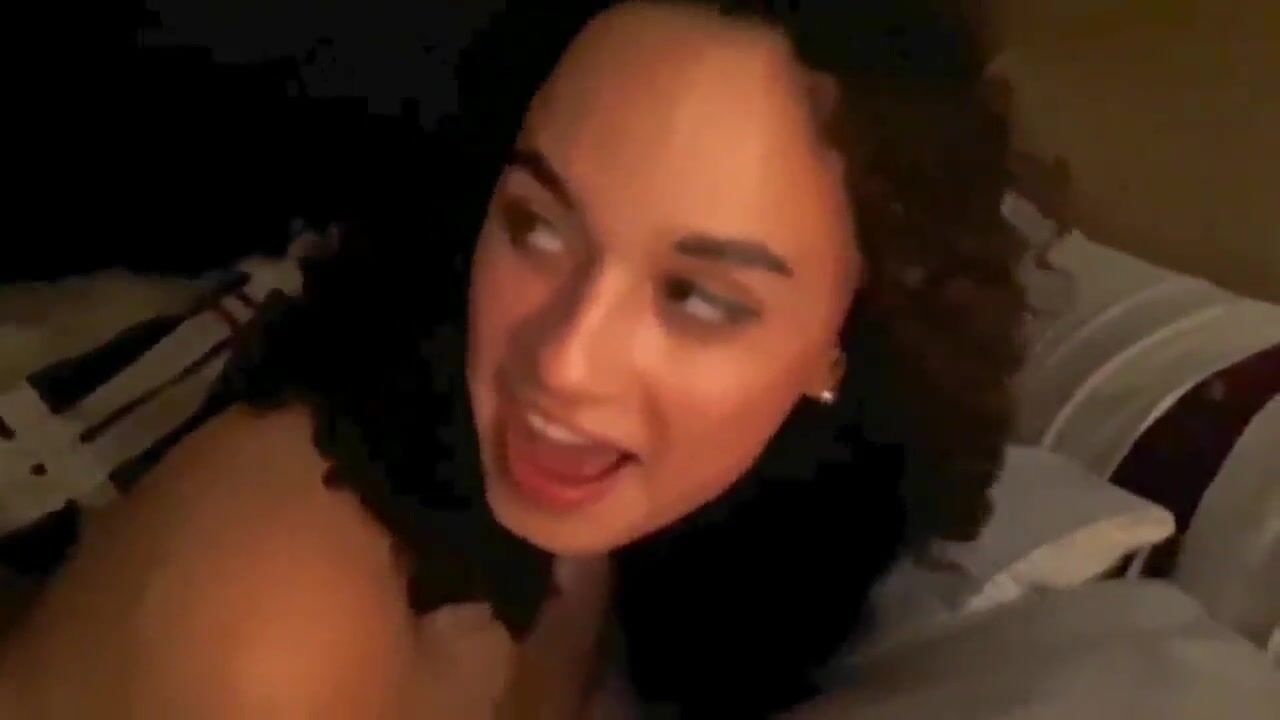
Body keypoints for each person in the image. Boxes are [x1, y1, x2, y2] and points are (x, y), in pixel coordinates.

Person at [0, 1, 1024, 717]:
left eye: (698, 298)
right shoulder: (272, 640)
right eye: (538, 226)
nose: (565, 362)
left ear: (843, 335)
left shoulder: (683, 530)